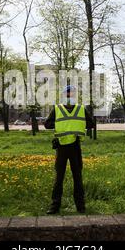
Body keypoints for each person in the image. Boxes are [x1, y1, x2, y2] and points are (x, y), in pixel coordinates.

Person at [44, 85, 94, 214]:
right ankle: (76, 207)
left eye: (70, 94)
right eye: (69, 94)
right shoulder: (77, 109)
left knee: (68, 177)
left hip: (67, 147)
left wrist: (65, 125)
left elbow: (47, 124)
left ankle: (59, 207)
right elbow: (91, 124)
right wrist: (75, 125)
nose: (69, 96)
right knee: (69, 177)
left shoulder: (64, 109)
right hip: (68, 146)